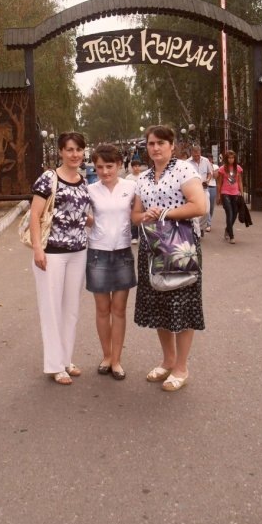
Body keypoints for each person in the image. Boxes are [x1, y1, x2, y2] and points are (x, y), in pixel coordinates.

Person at [131, 125, 206, 392]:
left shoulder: (184, 170)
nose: (155, 148)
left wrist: (164, 213)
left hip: (180, 246)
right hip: (152, 248)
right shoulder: (143, 177)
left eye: (161, 143)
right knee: (160, 305)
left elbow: (199, 206)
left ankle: (181, 368)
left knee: (182, 305)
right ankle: (168, 360)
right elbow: (135, 216)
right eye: (151, 143)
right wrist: (146, 215)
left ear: (172, 146)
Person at [30, 132, 90, 385]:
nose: (75, 154)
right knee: (52, 309)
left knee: (71, 310)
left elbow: (82, 216)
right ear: (61, 152)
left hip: (78, 252)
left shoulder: (83, 180)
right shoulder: (49, 178)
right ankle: (55, 365)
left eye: (79, 149)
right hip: (52, 253)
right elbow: (35, 215)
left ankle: (66, 359)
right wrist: (37, 249)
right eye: (70, 149)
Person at [86, 144, 137, 380]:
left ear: (118, 164)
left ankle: (116, 360)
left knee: (118, 309)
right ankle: (106, 356)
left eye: (109, 166)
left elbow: (138, 213)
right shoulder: (89, 190)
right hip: (98, 252)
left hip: (123, 253)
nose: (105, 171)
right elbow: (82, 216)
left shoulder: (131, 187)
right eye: (100, 167)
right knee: (102, 309)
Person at [216, 149, 244, 244]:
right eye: (229, 158)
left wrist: (241, 193)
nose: (231, 159)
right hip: (225, 193)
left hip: (235, 193)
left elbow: (240, 181)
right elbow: (219, 183)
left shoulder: (238, 168)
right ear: (226, 159)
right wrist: (218, 195)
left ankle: (228, 229)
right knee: (229, 213)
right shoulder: (222, 169)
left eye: (232, 158)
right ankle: (231, 236)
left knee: (235, 212)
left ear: (235, 159)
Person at [187, 145, 212, 237]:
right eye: (195, 155)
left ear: (200, 153)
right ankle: (197, 233)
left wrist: (207, 180)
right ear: (191, 153)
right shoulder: (187, 163)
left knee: (206, 211)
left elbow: (210, 173)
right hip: (193, 191)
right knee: (195, 213)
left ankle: (200, 227)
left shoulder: (205, 161)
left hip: (204, 189)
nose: (196, 157)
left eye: (198, 155)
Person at [125, 158, 142, 243]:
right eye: (135, 166)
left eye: (138, 166)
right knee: (134, 219)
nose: (137, 168)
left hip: (142, 201)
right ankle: (134, 237)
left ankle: (143, 236)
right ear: (132, 167)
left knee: (143, 218)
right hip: (132, 201)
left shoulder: (143, 176)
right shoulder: (128, 178)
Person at [206, 154, 219, 231]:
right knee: (207, 205)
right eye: (208, 158)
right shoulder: (204, 165)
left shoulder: (215, 166)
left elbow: (215, 176)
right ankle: (209, 223)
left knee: (211, 206)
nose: (209, 160)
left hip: (213, 186)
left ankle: (208, 220)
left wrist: (211, 167)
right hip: (206, 187)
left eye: (211, 158)